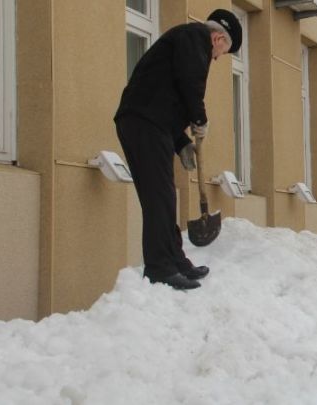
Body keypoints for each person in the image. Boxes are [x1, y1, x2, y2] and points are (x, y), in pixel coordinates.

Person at [114, 9, 243, 290]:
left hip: (151, 122)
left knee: (165, 195)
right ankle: (159, 267)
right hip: (142, 123)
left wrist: (181, 141)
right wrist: (199, 118)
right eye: (222, 51)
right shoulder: (195, 37)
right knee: (158, 195)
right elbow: (189, 84)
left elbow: (167, 96)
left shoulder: (186, 42)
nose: (218, 57)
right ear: (218, 38)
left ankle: (175, 259)